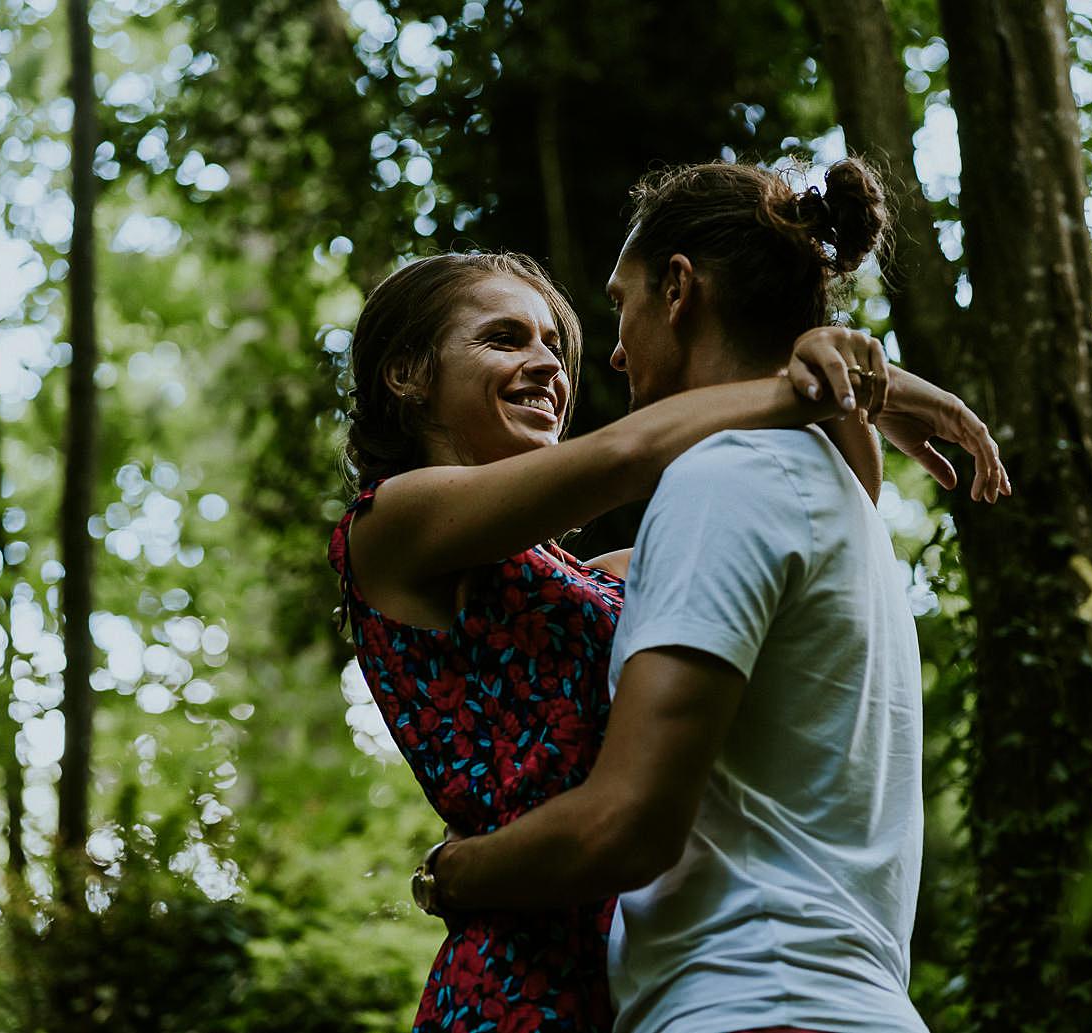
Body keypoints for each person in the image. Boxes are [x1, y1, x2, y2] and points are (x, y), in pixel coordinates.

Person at [330, 169, 1008, 1032]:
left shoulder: (602, 574)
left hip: (641, 974)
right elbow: (625, 456)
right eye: (504, 339)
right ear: (406, 374)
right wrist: (806, 379)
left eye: (554, 342)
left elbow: (797, 541)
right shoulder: (390, 524)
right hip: (523, 977)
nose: (550, 363)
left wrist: (852, 375)